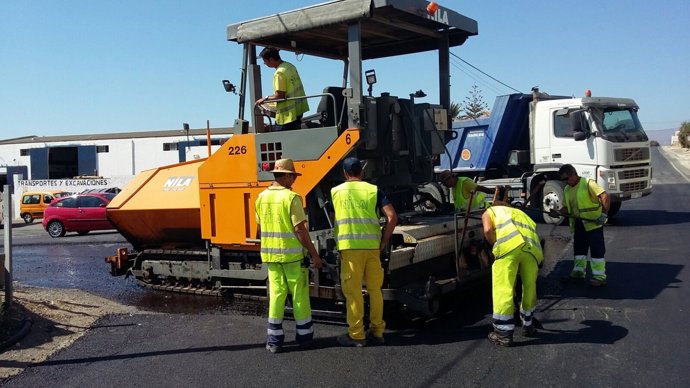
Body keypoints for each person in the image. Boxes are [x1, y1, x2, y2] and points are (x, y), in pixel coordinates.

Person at [255, 158, 323, 353]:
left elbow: (259, 229)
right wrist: (314, 255)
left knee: (276, 295)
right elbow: (300, 231)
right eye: (292, 176)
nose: (293, 180)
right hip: (292, 257)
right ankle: (304, 338)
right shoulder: (291, 198)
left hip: (271, 256)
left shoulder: (261, 197)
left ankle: (274, 341)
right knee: (299, 296)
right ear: (284, 175)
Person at [331, 157, 398, 347]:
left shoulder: (336, 192)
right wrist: (384, 240)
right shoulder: (374, 190)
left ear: (345, 173)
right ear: (362, 172)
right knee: (375, 290)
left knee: (353, 293)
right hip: (372, 248)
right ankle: (378, 332)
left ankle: (357, 335)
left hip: (350, 249)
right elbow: (392, 217)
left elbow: (334, 216)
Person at [482, 202, 544, 347]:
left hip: (508, 249)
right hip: (532, 251)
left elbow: (488, 230)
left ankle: (503, 334)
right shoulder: (521, 213)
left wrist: (495, 244)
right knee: (530, 287)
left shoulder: (490, 211)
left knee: (503, 289)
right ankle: (528, 325)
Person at [556, 164, 610, 287]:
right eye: (563, 180)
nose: (565, 182)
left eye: (566, 179)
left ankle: (600, 277)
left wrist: (603, 215)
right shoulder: (567, 190)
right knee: (579, 250)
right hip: (579, 224)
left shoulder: (587, 183)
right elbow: (566, 208)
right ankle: (578, 273)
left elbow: (604, 196)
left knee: (597, 250)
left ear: (574, 174)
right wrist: (558, 212)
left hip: (593, 224)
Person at [255, 47, 309, 132]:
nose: (264, 63)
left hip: (287, 116)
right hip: (298, 111)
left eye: (265, 60)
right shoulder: (290, 67)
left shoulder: (279, 73)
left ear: (271, 59)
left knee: (278, 142)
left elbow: (279, 96)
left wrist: (265, 99)